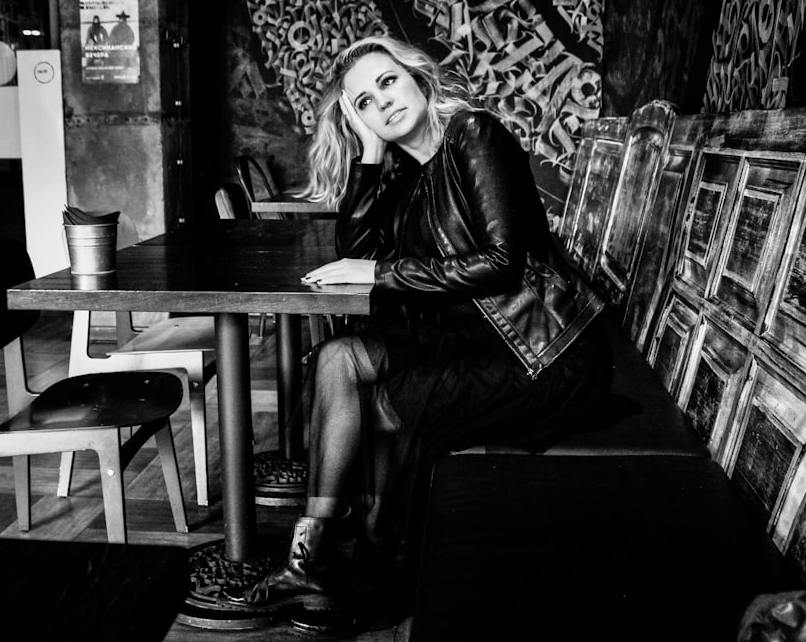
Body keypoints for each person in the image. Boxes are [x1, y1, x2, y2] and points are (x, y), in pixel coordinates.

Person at [227, 35, 613, 626]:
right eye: (362, 103)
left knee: (382, 402)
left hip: (541, 349)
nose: (380, 103)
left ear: (418, 80)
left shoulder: (474, 136)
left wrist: (382, 271)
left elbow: (501, 260)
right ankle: (309, 553)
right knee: (337, 360)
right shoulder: (407, 175)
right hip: (471, 339)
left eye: (387, 82)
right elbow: (352, 251)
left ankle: (383, 567)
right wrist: (371, 152)